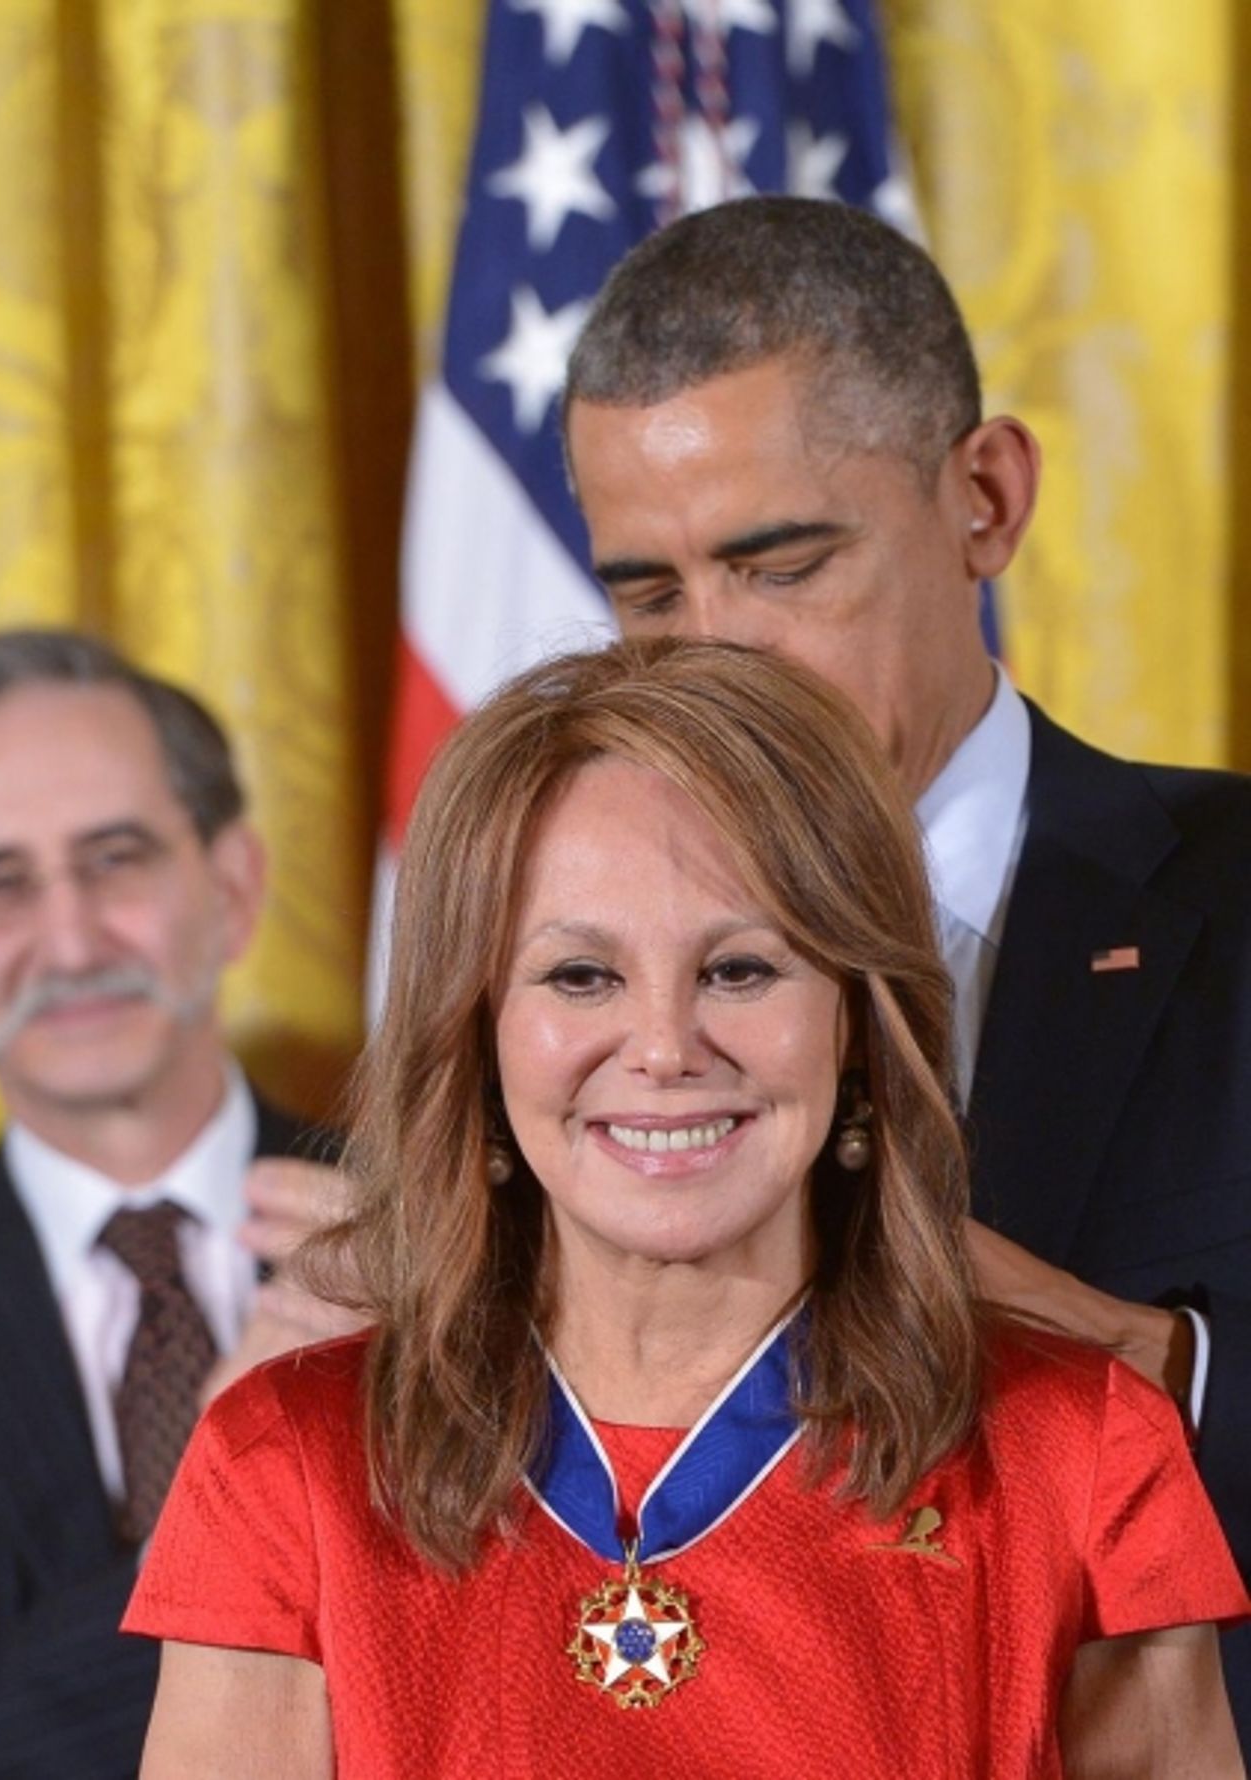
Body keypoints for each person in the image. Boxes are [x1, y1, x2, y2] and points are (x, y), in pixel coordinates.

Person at [126, 640, 1247, 1779]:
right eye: (580, 976)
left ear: (857, 1023)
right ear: (475, 1032)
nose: (663, 1048)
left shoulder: (1084, 1451)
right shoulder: (284, 1462)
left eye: (740, 970)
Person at [560, 194, 1251, 1736]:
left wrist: (1139, 1359)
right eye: (650, 594)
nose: (714, 659)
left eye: (782, 565)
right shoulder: (547, 991)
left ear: (984, 500)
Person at [0, 629, 349, 1780]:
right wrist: (213, 1528)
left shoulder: (436, 1231)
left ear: (233, 887)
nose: (71, 942)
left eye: (116, 859)